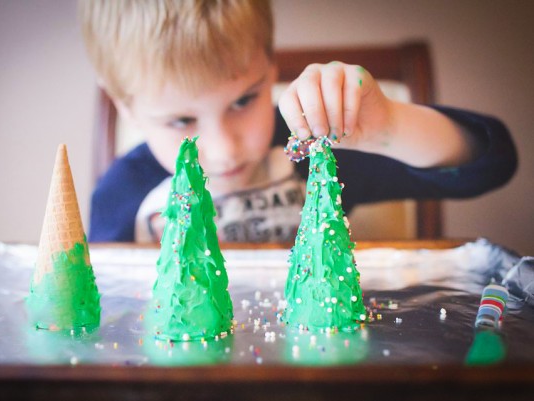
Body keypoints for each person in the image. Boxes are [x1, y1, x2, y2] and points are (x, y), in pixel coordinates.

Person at [79, 0, 517, 243]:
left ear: (270, 70)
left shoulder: (315, 148)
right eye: (180, 120)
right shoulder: (123, 194)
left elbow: (488, 164)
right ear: (126, 107)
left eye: (243, 101)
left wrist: (389, 126)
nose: (224, 148)